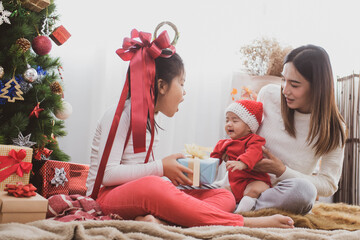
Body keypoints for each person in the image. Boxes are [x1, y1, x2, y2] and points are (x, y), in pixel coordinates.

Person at [86, 29, 294, 228]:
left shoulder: (151, 122)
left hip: (140, 192)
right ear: (162, 86)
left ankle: (164, 221)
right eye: (182, 83)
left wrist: (173, 175)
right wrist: (161, 168)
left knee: (223, 195)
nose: (185, 92)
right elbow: (108, 175)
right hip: (107, 196)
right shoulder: (120, 115)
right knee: (155, 186)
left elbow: (140, 172)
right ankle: (241, 222)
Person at [227, 44, 346, 215]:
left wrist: (281, 171)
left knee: (305, 193)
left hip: (280, 195)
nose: (285, 90)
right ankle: (241, 203)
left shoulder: (334, 129)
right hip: (246, 181)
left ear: (318, 87)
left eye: (295, 85)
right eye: (284, 79)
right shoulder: (268, 95)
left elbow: (328, 184)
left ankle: (247, 208)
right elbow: (244, 136)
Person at [210, 99, 271, 213]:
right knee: (222, 191)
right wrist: (205, 168)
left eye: (235, 120)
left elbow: (254, 152)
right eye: (227, 120)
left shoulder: (254, 140)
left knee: (253, 190)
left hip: (254, 179)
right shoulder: (224, 143)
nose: (229, 124)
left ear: (249, 126)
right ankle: (222, 211)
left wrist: (242, 163)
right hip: (235, 183)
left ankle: (240, 214)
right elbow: (213, 160)